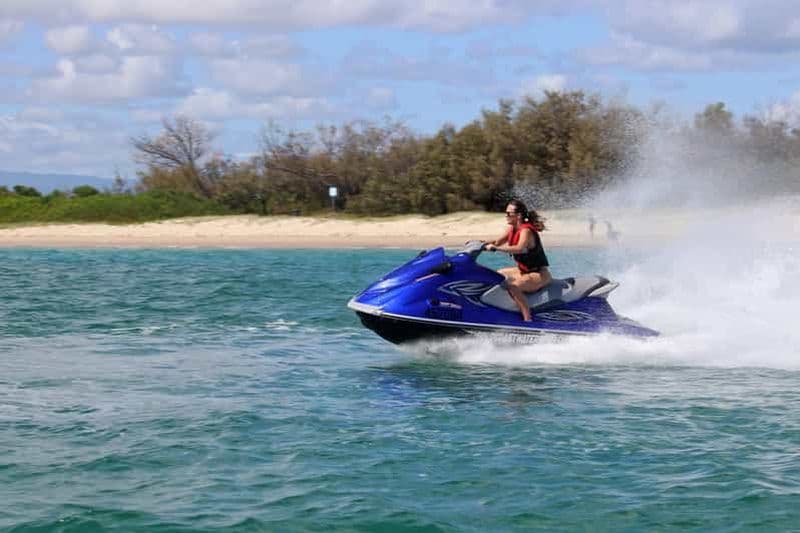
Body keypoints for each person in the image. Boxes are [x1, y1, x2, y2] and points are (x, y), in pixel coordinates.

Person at [484, 199, 552, 321]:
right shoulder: (512, 229)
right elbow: (497, 242)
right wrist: (479, 243)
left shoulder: (526, 231)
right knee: (497, 275)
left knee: (513, 286)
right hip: (523, 270)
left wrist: (496, 249)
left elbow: (519, 248)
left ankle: (527, 319)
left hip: (539, 274)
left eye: (509, 213)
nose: (506, 216)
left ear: (518, 215)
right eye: (506, 213)